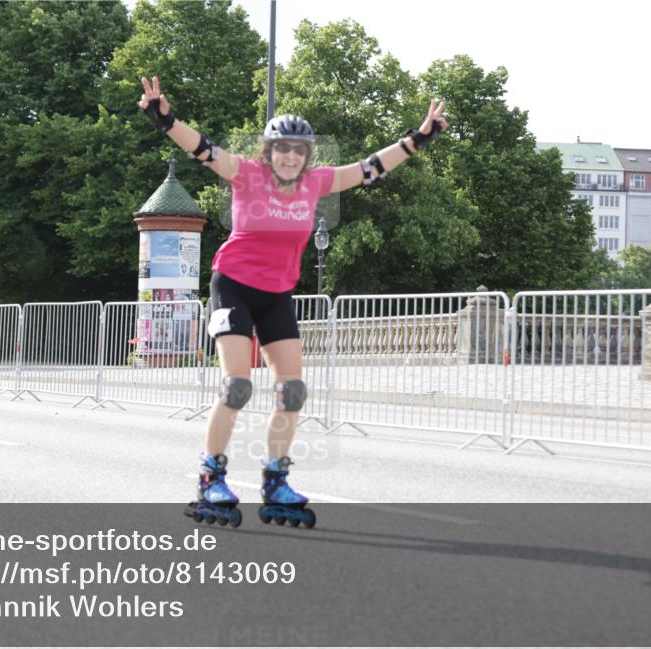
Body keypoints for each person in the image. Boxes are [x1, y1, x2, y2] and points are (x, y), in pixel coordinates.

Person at [138, 75, 448, 528]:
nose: (290, 156)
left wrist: (419, 137)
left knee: (293, 390)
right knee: (237, 386)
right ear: (269, 152)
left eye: (299, 150)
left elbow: (370, 167)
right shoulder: (247, 173)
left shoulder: (316, 183)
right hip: (235, 285)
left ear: (307, 156)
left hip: (277, 293)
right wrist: (163, 117)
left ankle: (275, 479)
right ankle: (210, 477)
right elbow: (201, 147)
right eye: (282, 148)